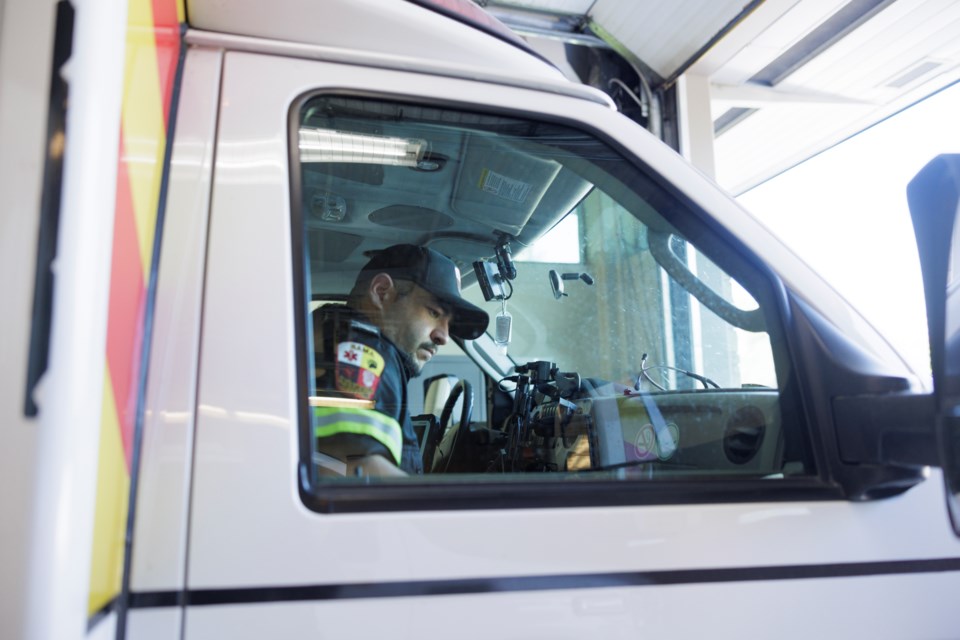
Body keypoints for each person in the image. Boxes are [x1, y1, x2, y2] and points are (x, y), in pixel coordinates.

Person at [312, 244, 489, 477]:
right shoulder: (361, 349)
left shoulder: (333, 336)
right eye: (434, 313)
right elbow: (356, 470)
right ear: (382, 291)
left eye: (449, 324)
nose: (444, 337)